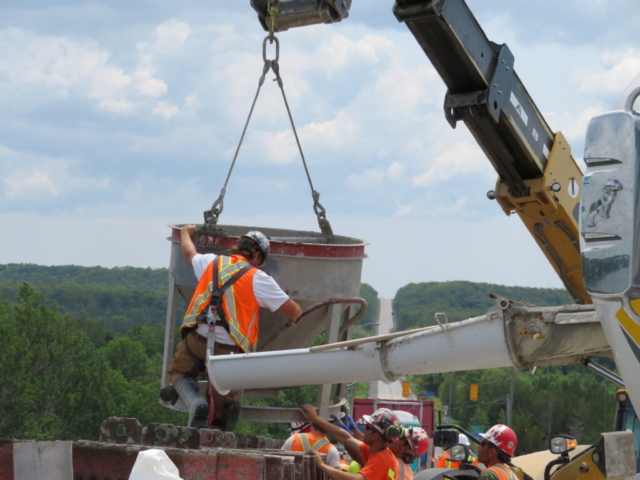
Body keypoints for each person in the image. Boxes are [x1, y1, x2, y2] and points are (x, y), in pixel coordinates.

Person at [166, 225, 302, 430]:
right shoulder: (258, 278)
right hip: (228, 352)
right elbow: (293, 310)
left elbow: (188, 254)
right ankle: (213, 434)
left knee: (180, 373)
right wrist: (292, 320)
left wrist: (185, 233)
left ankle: (195, 403)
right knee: (221, 413)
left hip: (196, 339)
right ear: (257, 255)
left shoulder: (211, 262)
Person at [300, 403, 402, 480]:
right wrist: (316, 419)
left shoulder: (380, 459)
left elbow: (356, 479)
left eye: (367, 427)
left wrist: (321, 465)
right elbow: (347, 439)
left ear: (375, 435)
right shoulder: (378, 452)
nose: (364, 430)